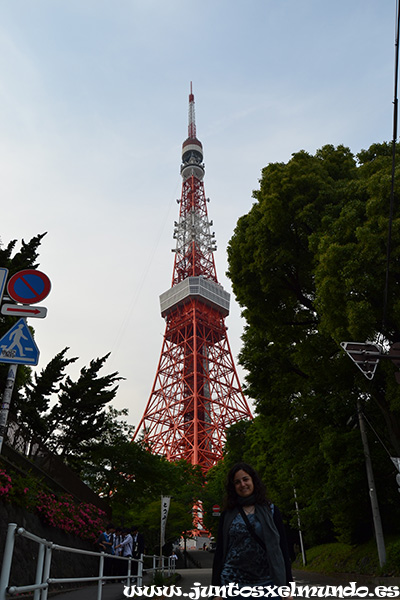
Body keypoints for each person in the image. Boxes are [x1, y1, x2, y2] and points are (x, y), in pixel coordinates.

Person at [212, 462, 293, 598]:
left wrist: (288, 587)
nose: (242, 485)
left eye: (245, 479)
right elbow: (220, 552)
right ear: (233, 487)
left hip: (267, 583)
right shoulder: (228, 514)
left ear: (253, 481)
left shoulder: (271, 511)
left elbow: (282, 548)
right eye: (237, 482)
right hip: (233, 584)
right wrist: (215, 591)